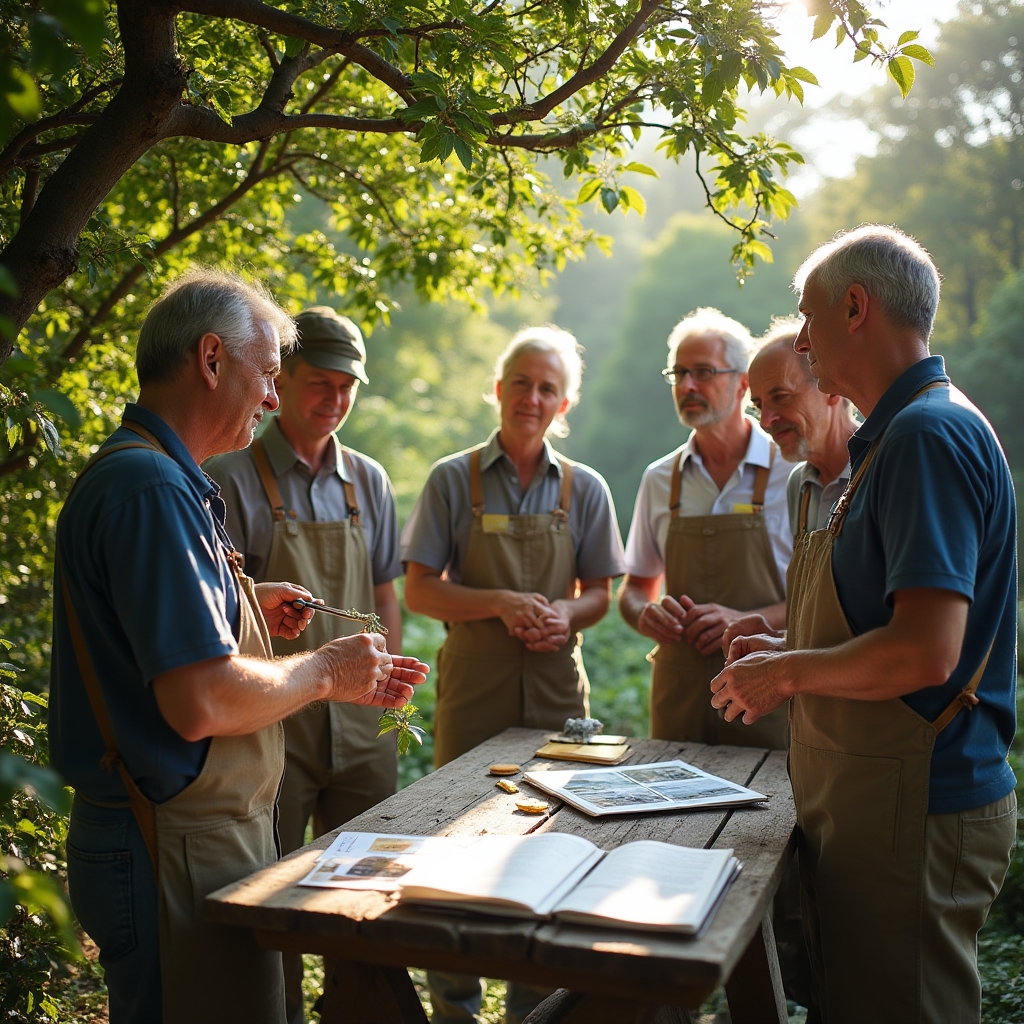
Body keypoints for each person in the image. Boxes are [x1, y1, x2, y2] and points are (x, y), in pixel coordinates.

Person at [49, 271, 429, 1024]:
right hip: (166, 843)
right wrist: (325, 670)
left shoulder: (154, 475)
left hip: (177, 836)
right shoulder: (153, 490)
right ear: (212, 359)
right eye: (269, 374)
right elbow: (202, 701)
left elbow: (138, 632)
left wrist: (241, 601)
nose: (275, 399)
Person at [710, 225, 1017, 1022]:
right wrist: (788, 648)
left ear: (855, 307)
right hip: (874, 802)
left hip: (918, 805)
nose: (801, 343)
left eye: (808, 319)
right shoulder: (892, 440)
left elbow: (924, 653)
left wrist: (786, 672)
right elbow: (886, 625)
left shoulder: (927, 436)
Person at [402, 324, 625, 1024]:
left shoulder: (586, 488)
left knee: (554, 844)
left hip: (558, 693)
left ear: (565, 404)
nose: (532, 398)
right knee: (458, 848)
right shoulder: (451, 479)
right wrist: (498, 602)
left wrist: (566, 614)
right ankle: (455, 1009)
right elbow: (420, 591)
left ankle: (535, 1010)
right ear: (498, 390)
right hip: (473, 690)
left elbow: (600, 593)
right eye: (521, 383)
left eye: (548, 388)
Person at [205, 306, 402, 1024]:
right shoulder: (227, 476)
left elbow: (385, 594)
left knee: (371, 892)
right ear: (281, 379)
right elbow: (218, 618)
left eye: (348, 386)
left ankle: (365, 1012)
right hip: (274, 724)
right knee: (275, 894)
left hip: (361, 727)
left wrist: (388, 685)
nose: (335, 398)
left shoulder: (368, 480)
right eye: (321, 381)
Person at [617, 307, 792, 747]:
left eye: (703, 372)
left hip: (769, 698)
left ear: (743, 383)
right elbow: (634, 590)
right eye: (679, 374)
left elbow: (821, 603)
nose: (688, 386)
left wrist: (746, 621)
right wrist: (645, 613)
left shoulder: (791, 471)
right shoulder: (659, 479)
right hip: (679, 701)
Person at [724, 318, 859, 647]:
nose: (766, 421)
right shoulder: (799, 484)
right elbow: (824, 629)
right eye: (759, 406)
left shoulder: (880, 467)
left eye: (781, 397)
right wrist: (778, 643)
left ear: (831, 387)